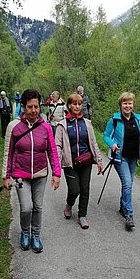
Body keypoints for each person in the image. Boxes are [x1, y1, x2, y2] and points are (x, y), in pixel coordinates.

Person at [2, 89, 61, 253]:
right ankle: (25, 232)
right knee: (26, 207)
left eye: (36, 106)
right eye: (30, 107)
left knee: (38, 207)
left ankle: (36, 235)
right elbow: (8, 152)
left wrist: (56, 173)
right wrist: (6, 176)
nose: (34, 110)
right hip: (21, 175)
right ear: (23, 107)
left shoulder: (46, 127)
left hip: (40, 173)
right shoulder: (13, 127)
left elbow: (52, 151)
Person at [103, 92, 140, 231]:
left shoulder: (138, 119)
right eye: (125, 103)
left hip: (133, 157)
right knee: (128, 184)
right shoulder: (114, 119)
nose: (127, 106)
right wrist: (112, 144)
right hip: (120, 157)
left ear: (133, 104)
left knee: (128, 184)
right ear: (120, 105)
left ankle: (122, 206)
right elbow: (106, 136)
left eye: (130, 103)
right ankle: (129, 214)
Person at [55, 93, 103, 229]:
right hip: (70, 164)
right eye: (74, 104)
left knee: (85, 189)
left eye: (79, 104)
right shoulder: (62, 125)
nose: (77, 106)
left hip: (86, 161)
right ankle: (69, 205)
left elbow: (93, 143)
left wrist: (99, 160)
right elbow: (58, 146)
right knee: (74, 190)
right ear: (69, 105)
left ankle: (82, 215)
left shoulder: (87, 123)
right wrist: (57, 166)